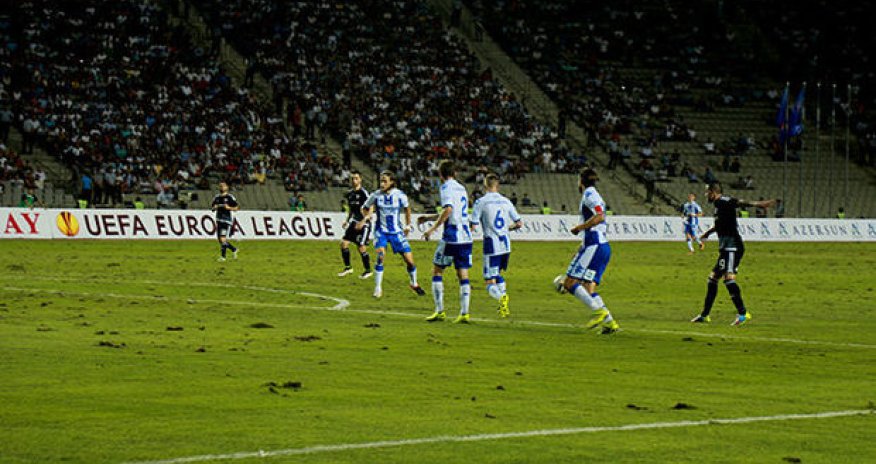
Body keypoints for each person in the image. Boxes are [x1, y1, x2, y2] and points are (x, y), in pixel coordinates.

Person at [691, 182, 776, 325]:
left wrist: (758, 204)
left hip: (733, 247)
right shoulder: (718, 207)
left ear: (713, 192)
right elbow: (719, 225)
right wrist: (707, 233)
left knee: (729, 279)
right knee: (712, 279)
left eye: (707, 193)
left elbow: (739, 202)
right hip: (726, 247)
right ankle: (705, 315)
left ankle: (743, 314)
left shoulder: (724, 201)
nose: (706, 196)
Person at [558, 168, 620, 334]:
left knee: (569, 283)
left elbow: (600, 216)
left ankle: (600, 312)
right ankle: (610, 324)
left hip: (594, 246)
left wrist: (580, 227)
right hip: (600, 246)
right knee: (587, 289)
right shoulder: (594, 194)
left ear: (581, 181)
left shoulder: (589, 194)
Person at [418, 160, 474, 323]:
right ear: (454, 173)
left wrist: (432, 228)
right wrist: (429, 217)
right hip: (466, 237)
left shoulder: (445, 188)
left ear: (441, 175)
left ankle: (440, 311)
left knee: (437, 271)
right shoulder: (461, 188)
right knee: (462, 274)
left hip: (452, 237)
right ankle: (464, 313)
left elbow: (448, 209)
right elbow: (451, 211)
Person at [361, 170, 426, 299]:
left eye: (385, 181)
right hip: (381, 232)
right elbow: (364, 207)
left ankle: (414, 283)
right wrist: (367, 217)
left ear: (392, 182)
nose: (382, 183)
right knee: (380, 256)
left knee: (410, 262)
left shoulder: (400, 195)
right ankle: (378, 288)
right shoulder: (376, 195)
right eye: (381, 181)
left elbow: (407, 209)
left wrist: (408, 225)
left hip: (397, 232)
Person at [470, 173, 523, 318]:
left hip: (491, 244)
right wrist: (507, 229)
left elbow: (473, 226)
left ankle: (501, 298)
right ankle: (503, 305)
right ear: (497, 186)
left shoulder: (481, 202)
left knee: (489, 280)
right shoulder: (506, 201)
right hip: (506, 244)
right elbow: (519, 223)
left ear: (485, 185)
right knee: (497, 274)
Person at [337, 171, 373, 279]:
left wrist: (364, 220)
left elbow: (371, 207)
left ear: (360, 180)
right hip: (354, 222)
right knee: (344, 243)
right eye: (352, 178)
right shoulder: (350, 194)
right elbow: (352, 210)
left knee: (361, 247)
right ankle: (348, 268)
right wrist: (347, 220)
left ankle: (368, 270)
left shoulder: (364, 193)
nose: (354, 180)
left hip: (364, 224)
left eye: (356, 178)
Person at [211, 181, 240, 262]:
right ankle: (234, 249)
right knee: (220, 240)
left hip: (226, 220)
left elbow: (237, 208)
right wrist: (215, 207)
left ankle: (223, 257)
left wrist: (229, 208)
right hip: (218, 220)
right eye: (220, 186)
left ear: (227, 187)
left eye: (223, 186)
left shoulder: (230, 197)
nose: (221, 187)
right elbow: (212, 208)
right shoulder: (216, 197)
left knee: (223, 238)